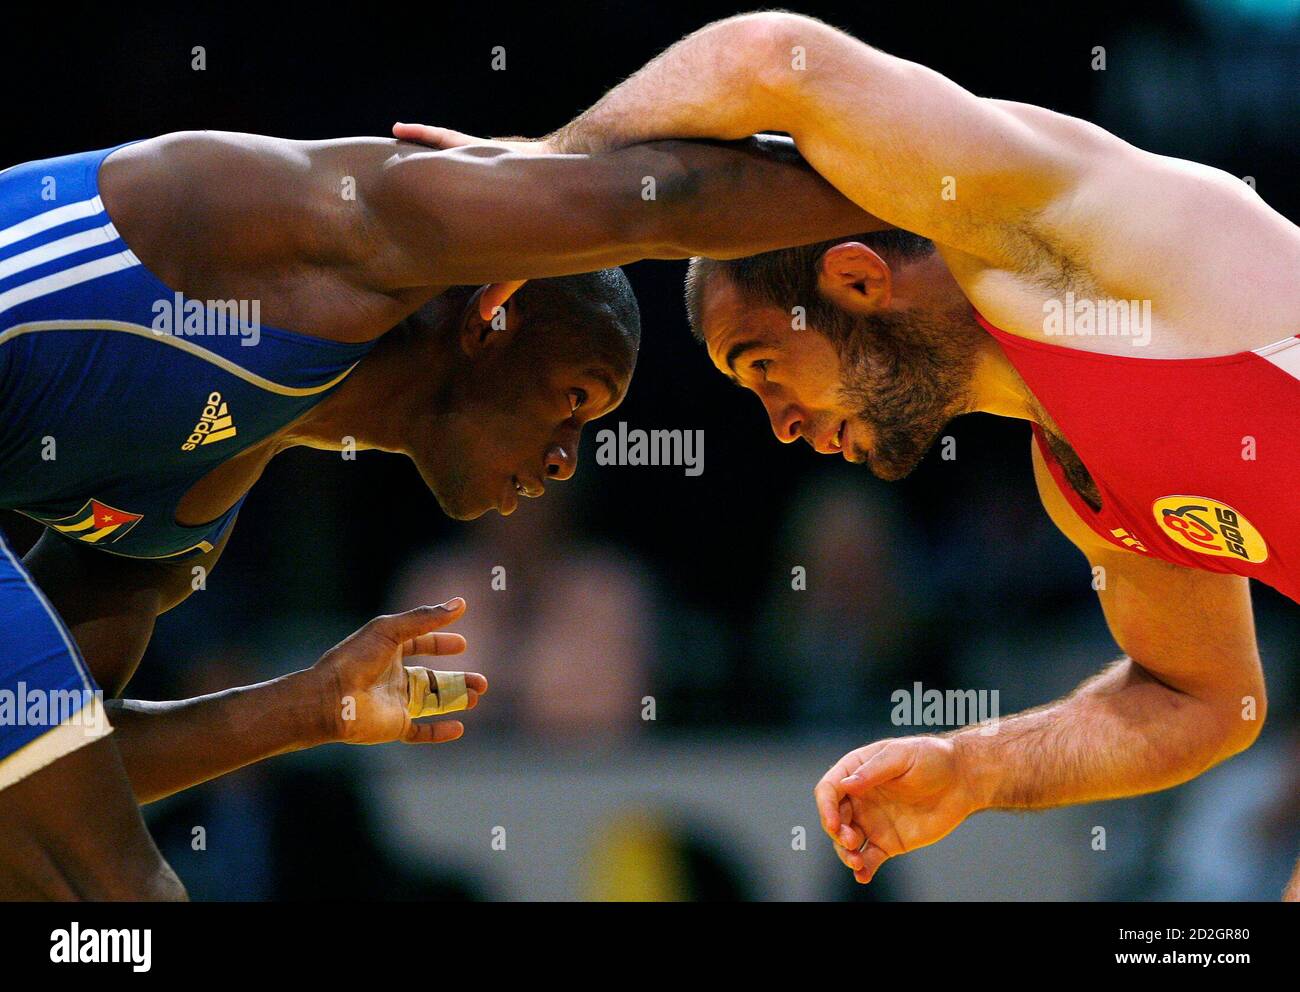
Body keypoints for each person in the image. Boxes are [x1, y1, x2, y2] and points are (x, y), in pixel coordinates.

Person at [430, 10, 1300, 896]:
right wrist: (973, 767)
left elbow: (771, 57)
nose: (779, 423)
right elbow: (1198, 703)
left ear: (855, 280)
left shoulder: (1068, 237)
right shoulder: (1081, 483)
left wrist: (543, 189)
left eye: (763, 365)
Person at [0, 125, 880, 898]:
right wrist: (933, 187)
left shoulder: (202, 489)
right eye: (574, 397)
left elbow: (68, 758)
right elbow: (660, 199)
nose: (568, 459)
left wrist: (311, 709)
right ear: (494, 318)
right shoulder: (334, 226)